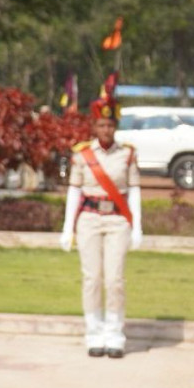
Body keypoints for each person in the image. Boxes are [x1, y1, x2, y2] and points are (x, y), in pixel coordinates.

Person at [60, 95, 142, 358]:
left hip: (117, 219)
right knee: (92, 278)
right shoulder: (82, 155)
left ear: (115, 126)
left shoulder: (127, 154)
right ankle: (94, 333)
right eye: (101, 125)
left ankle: (115, 334)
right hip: (89, 219)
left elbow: (135, 190)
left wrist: (138, 225)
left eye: (110, 125)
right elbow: (74, 191)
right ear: (94, 127)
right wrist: (67, 227)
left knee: (115, 279)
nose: (106, 130)